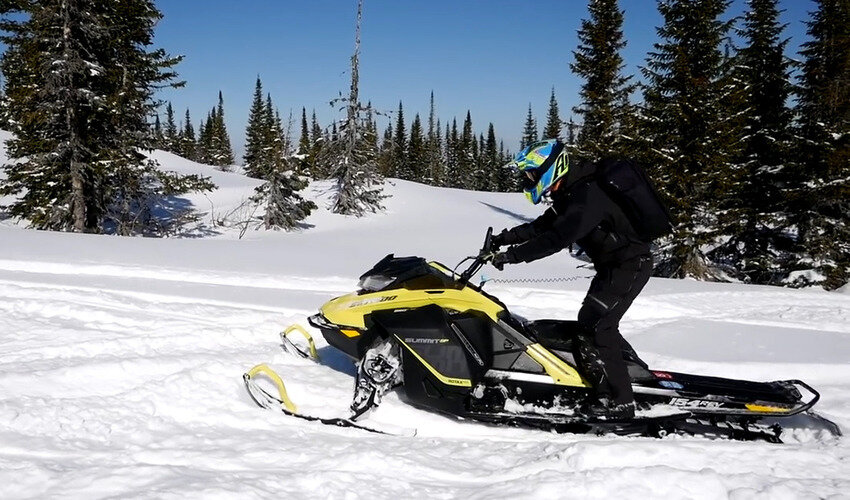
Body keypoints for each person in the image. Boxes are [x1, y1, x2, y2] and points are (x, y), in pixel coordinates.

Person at [489, 139, 652, 419]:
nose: (528, 180)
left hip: (629, 265)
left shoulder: (587, 195)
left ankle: (622, 402)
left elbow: (557, 238)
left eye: (531, 174)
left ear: (550, 169)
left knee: (601, 325)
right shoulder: (571, 192)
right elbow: (544, 225)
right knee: (590, 320)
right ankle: (605, 386)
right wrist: (503, 239)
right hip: (613, 266)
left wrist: (513, 257)